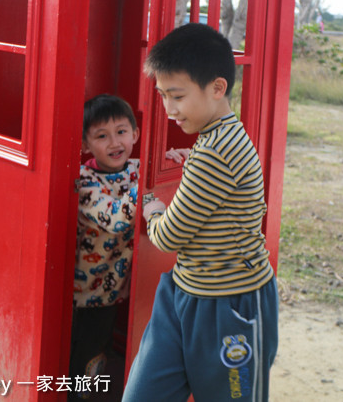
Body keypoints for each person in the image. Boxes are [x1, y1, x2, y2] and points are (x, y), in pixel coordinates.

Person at [122, 23, 279, 402]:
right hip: (185, 291)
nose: (169, 109)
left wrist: (152, 207)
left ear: (217, 87)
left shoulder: (214, 153)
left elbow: (168, 236)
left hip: (231, 304)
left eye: (177, 96)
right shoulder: (218, 138)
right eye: (162, 96)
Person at [69, 93, 186, 400]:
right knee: (82, 352)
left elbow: (157, 175)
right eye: (101, 136)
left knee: (100, 349)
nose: (114, 143)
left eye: (121, 132)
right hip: (85, 291)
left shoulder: (136, 168)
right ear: (85, 145)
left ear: (135, 134)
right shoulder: (85, 183)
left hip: (115, 287)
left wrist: (173, 159)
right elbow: (119, 219)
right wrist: (147, 188)